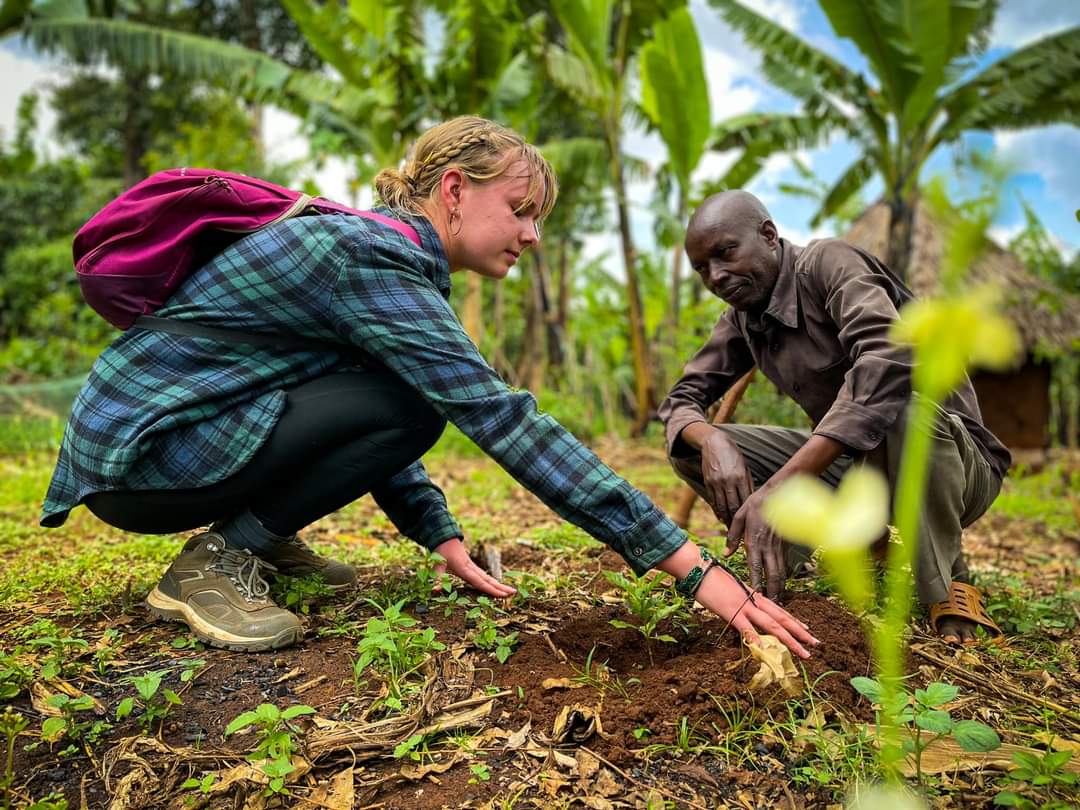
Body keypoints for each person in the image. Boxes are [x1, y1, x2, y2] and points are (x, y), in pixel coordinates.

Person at [40, 118, 817, 658]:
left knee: (405, 397)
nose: (532, 235)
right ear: (453, 191)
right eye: (517, 210)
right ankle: (217, 559)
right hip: (143, 456)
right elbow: (500, 421)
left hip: (154, 440)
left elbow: (363, 402)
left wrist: (437, 533)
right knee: (420, 402)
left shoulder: (374, 254)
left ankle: (259, 533)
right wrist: (692, 570)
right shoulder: (367, 258)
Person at [659, 190, 1010, 645]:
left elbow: (888, 360)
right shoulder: (742, 318)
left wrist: (777, 486)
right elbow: (680, 401)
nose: (716, 276)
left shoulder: (829, 263)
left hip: (958, 467)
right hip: (858, 467)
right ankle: (782, 557)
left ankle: (948, 586)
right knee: (692, 447)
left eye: (725, 253)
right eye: (703, 268)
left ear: (768, 235)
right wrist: (710, 440)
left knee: (901, 408)